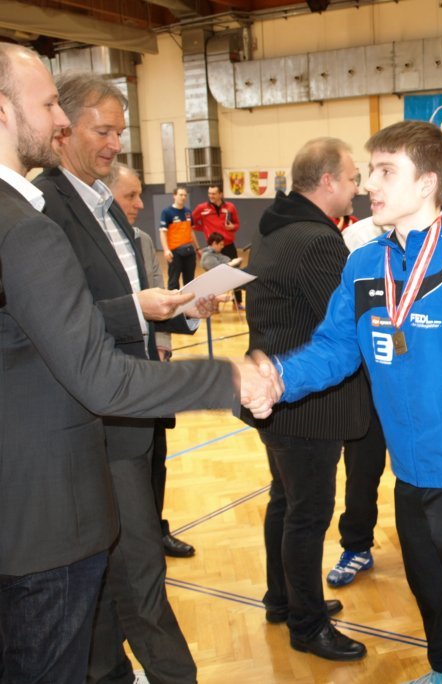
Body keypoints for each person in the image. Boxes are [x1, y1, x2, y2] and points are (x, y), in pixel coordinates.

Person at [0, 43, 280, 682]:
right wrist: (230, 376)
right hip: (58, 484)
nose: (58, 123)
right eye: (50, 106)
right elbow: (92, 366)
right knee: (123, 588)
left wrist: (174, 312)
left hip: (70, 463)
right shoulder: (31, 222)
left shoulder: (68, 210)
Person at [270, 120, 442, 684]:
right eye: (371, 170)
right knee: (432, 595)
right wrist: (277, 377)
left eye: (385, 171)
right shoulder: (363, 263)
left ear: (426, 183)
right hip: (409, 475)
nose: (370, 184)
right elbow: (334, 348)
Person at [34, 72, 215, 683]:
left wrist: (184, 308)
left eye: (120, 132)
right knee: (139, 573)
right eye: (103, 131)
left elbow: (133, 305)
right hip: (94, 421)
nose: (115, 144)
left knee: (114, 571)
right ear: (63, 130)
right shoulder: (45, 208)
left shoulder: (105, 205)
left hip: (131, 413)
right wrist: (139, 307)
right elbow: (60, 318)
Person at [242, 137, 372, 661]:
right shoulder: (317, 240)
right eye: (353, 178)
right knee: (308, 515)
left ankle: (284, 598)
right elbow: (346, 322)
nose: (358, 188)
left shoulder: (275, 228)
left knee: (285, 502)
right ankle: (307, 623)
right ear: (328, 181)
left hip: (277, 393)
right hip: (308, 402)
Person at [106, 162, 198, 559]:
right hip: (112, 374)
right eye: (130, 196)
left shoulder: (140, 240)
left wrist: (170, 332)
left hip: (149, 369)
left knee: (156, 456)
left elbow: (156, 295)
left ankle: (156, 529)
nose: (140, 204)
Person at [327, 215, 390, 590]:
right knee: (362, 470)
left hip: (419, 380)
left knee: (426, 472)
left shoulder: (440, 237)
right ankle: (356, 546)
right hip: (367, 378)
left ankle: (437, 542)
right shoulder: (355, 238)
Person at [192, 184, 243, 306]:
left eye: (214, 193)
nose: (211, 196)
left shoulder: (230, 207)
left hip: (229, 246)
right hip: (213, 249)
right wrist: (204, 228)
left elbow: (237, 224)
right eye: (209, 193)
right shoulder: (201, 208)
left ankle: (238, 302)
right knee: (214, 278)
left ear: (220, 194)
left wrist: (233, 226)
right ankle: (215, 304)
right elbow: (192, 223)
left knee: (236, 274)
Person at [160, 186, 199, 289]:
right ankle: (174, 299)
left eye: (185, 195)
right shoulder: (167, 212)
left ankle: (188, 299)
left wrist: (197, 248)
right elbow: (163, 232)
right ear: (174, 196)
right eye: (181, 195)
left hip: (189, 251)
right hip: (175, 252)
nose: (183, 197)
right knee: (174, 281)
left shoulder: (188, 212)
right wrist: (166, 250)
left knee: (190, 282)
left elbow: (191, 231)